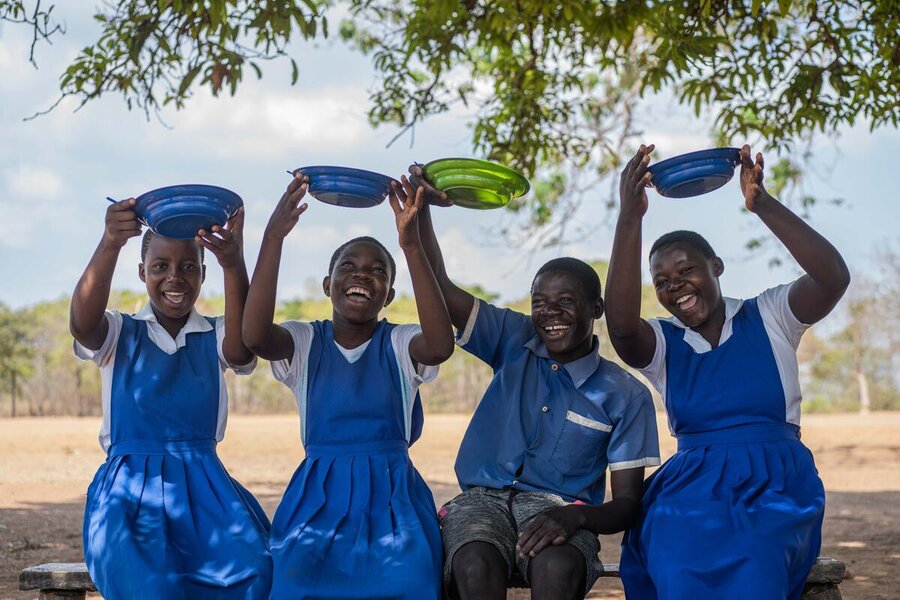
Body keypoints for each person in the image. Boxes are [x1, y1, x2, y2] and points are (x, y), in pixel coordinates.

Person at [607, 144, 851, 599]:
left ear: (716, 267)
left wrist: (763, 204)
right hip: (691, 487)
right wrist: (630, 217)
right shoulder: (665, 343)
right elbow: (621, 329)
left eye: (686, 270)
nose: (674, 285)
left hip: (775, 484)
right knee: (676, 562)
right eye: (661, 281)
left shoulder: (771, 314)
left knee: (757, 563)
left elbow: (833, 277)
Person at [407, 167, 661, 600]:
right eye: (540, 303)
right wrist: (421, 214)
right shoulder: (513, 337)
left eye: (566, 302)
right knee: (473, 563)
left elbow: (626, 506)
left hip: (561, 511)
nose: (550, 313)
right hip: (480, 502)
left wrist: (576, 519)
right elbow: (442, 289)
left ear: (596, 307)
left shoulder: (625, 394)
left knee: (558, 566)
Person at [242, 172, 454, 600]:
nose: (363, 275)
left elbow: (440, 345)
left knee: (409, 581)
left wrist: (410, 246)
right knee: (296, 581)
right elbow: (254, 337)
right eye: (349, 267)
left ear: (389, 294)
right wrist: (274, 238)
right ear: (328, 285)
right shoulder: (306, 342)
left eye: (378, 271)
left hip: (393, 502)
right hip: (318, 500)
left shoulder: (397, 343)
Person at [69, 201, 271, 599]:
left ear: (203, 274)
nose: (174, 277)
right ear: (143, 272)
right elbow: (82, 323)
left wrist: (234, 263)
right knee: (150, 583)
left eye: (189, 267)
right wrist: (111, 242)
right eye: (160, 266)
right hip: (128, 493)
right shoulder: (118, 333)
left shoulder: (215, 335)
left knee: (255, 571)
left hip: (205, 486)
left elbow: (244, 348)